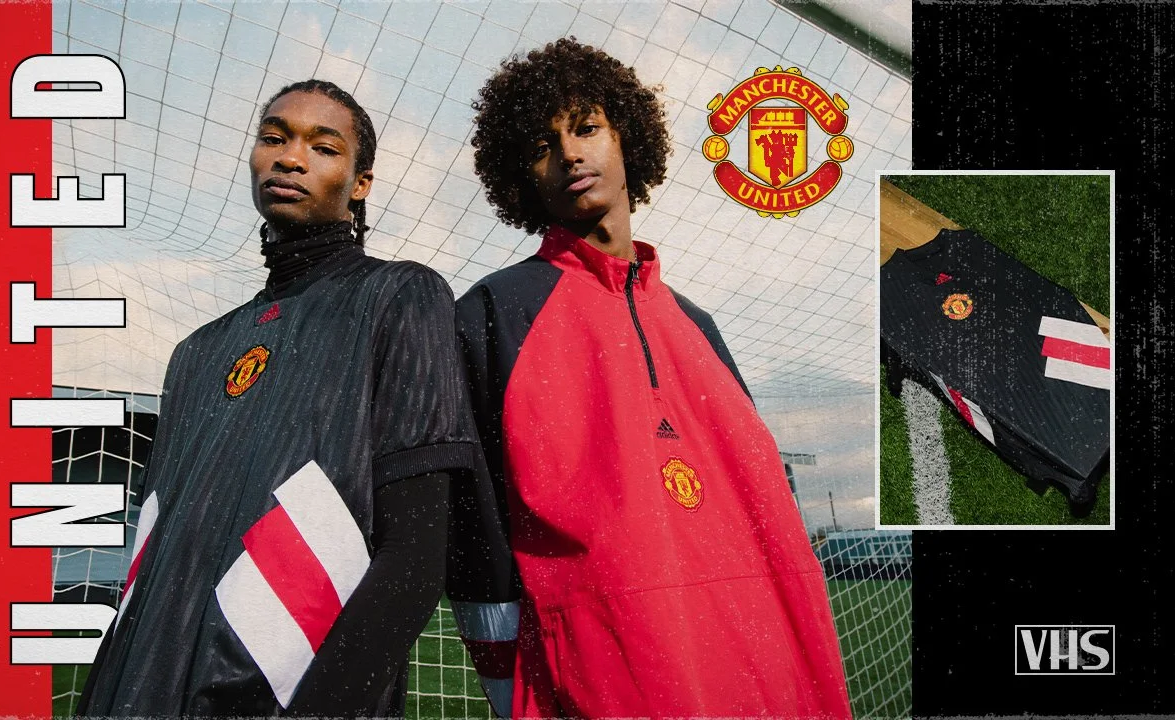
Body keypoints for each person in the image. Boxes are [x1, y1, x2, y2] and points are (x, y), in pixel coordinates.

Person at [448, 38, 854, 718]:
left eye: (586, 127)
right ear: (521, 175)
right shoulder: (493, 314)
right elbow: (475, 526)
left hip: (758, 667)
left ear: (626, 138)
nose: (570, 154)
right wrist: (508, 686)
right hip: (609, 677)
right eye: (543, 145)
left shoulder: (697, 325)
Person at [77, 79, 479, 717]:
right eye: (273, 138)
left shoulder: (401, 296)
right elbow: (149, 555)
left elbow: (416, 560)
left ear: (361, 182)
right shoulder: (197, 351)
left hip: (281, 697)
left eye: (323, 147)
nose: (290, 158)